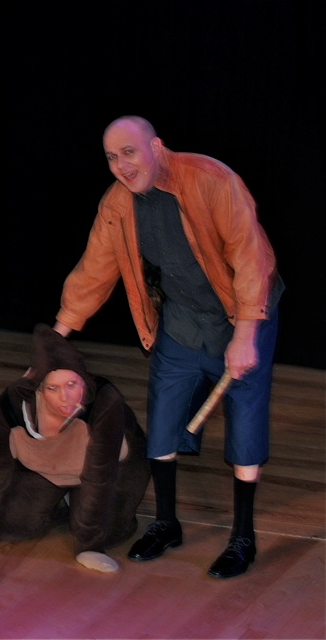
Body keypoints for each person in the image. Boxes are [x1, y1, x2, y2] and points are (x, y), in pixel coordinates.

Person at [53, 115, 284, 579]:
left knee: (245, 425)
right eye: (111, 157)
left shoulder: (212, 180)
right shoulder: (118, 203)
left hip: (241, 314)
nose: (121, 165)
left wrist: (245, 335)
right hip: (181, 321)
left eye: (129, 152)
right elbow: (94, 270)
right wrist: (55, 339)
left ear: (156, 147)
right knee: (163, 421)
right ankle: (166, 523)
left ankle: (243, 536)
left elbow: (250, 258)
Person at [0, 323, 151, 573]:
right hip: (49, 469)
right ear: (37, 388)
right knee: (9, 527)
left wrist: (89, 546)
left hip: (114, 470)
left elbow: (100, 474)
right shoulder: (11, 406)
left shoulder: (104, 402)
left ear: (84, 382)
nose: (65, 397)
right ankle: (65, 502)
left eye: (72, 384)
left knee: (109, 532)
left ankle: (80, 508)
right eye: (53, 388)